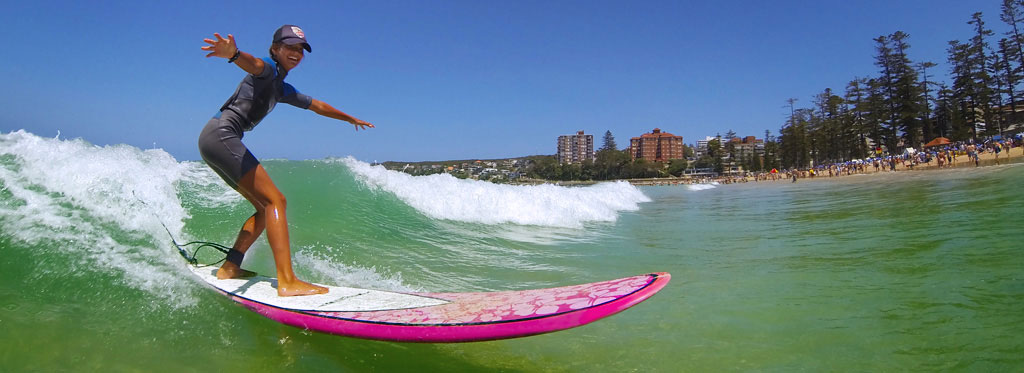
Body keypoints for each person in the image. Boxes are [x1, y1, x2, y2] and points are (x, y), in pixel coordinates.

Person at [198, 25, 374, 296]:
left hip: (214, 139)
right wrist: (233, 55)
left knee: (264, 208)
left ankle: (230, 267)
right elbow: (254, 64)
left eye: (300, 49)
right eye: (290, 47)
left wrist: (348, 118)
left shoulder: (281, 88)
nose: (296, 53)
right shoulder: (268, 69)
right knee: (276, 201)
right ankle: (287, 282)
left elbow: (316, 105)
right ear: (275, 49)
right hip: (222, 136)